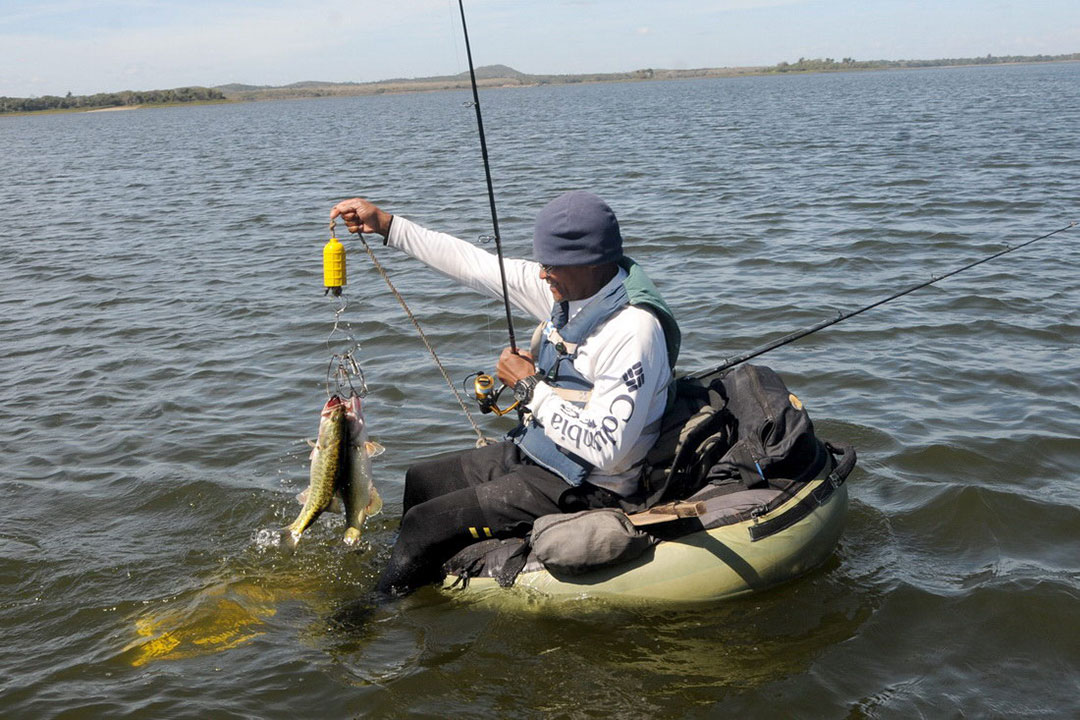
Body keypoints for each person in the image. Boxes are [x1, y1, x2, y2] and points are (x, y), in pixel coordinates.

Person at [330, 190, 680, 595]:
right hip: (542, 453)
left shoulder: (633, 331)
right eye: (543, 263)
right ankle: (405, 565)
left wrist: (530, 388)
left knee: (427, 522)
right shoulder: (568, 289)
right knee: (422, 479)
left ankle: (372, 612)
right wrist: (387, 225)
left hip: (595, 485)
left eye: (553, 266)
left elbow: (607, 449)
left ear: (593, 263)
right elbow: (473, 264)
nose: (543, 274)